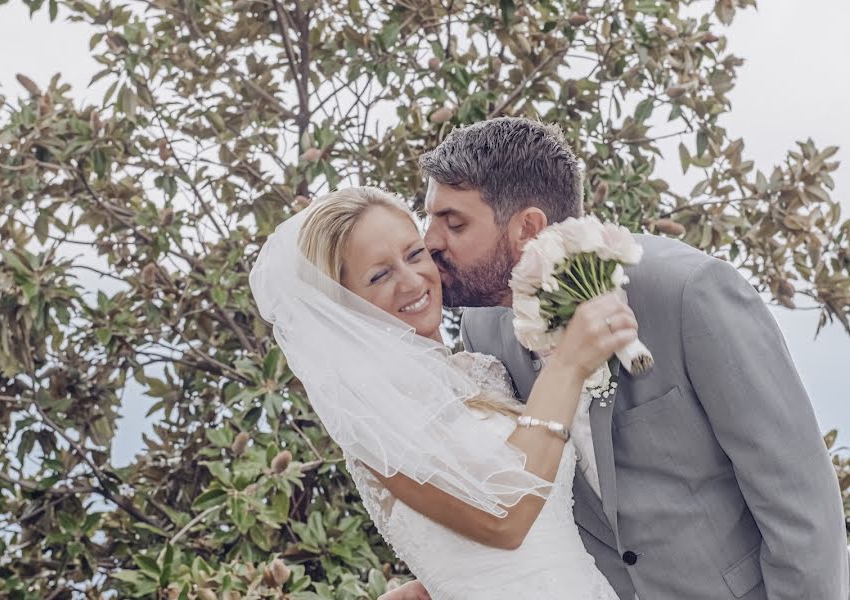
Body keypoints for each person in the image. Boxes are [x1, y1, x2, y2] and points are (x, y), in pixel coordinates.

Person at [381, 117, 848, 600]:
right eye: (430, 218)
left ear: (527, 228)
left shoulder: (687, 293)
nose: (429, 242)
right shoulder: (482, 332)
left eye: (453, 222)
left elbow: (801, 505)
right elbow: (530, 492)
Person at [249, 186, 636, 599]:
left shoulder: (477, 370)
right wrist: (568, 365)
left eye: (414, 254)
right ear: (343, 305)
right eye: (379, 275)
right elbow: (504, 515)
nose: (412, 280)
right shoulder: (374, 409)